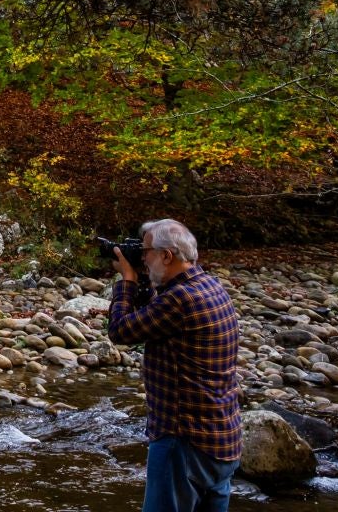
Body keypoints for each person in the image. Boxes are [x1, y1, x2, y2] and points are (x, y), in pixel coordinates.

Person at [107, 218, 242, 512]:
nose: (142, 259)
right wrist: (143, 281)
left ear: (166, 255)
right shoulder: (208, 285)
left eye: (145, 253)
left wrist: (127, 282)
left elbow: (120, 330)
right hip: (222, 440)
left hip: (184, 441)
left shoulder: (180, 299)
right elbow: (153, 314)